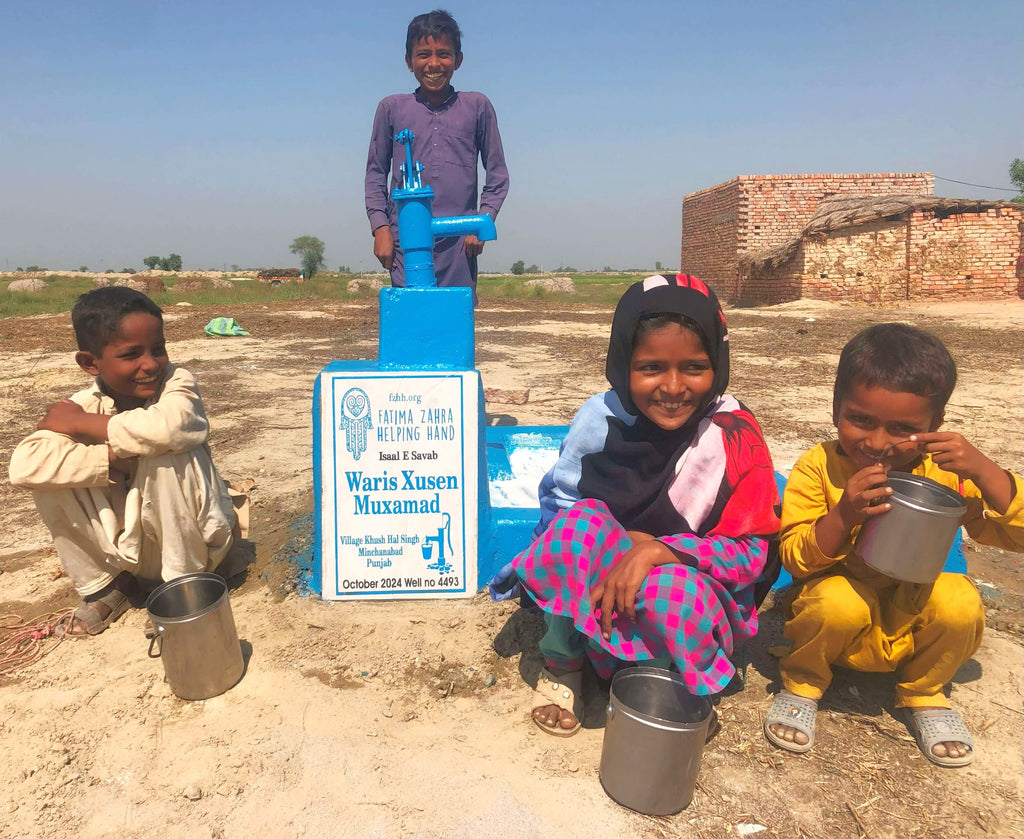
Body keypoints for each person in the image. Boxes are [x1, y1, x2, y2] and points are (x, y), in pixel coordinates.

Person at [507, 274, 780, 736]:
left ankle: (660, 676)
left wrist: (657, 549)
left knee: (674, 595)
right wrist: (609, 551)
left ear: (719, 363)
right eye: (651, 367)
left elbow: (752, 553)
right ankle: (566, 661)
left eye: (694, 366)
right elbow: (560, 511)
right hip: (602, 585)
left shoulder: (733, 438)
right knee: (572, 532)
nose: (672, 387)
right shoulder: (600, 421)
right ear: (621, 362)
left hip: (687, 587)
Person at [764, 323, 1022, 767]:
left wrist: (984, 470)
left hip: (910, 617)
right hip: (835, 624)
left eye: (902, 428)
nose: (877, 443)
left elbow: (1010, 535)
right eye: (860, 419)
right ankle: (804, 683)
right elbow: (796, 558)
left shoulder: (946, 475)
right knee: (836, 600)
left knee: (959, 600)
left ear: (935, 426)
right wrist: (844, 514)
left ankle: (924, 692)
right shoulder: (819, 466)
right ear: (835, 409)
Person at [8, 287, 247, 636]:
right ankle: (107, 589)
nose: (150, 364)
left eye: (158, 349)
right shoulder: (83, 402)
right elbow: (24, 466)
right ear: (90, 363)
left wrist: (81, 427)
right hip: (129, 555)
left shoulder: (177, 384)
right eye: (131, 354)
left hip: (198, 551)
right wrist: (110, 458)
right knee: (50, 474)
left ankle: (185, 589)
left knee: (167, 452)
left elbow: (171, 428)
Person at [364, 9, 509, 294]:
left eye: (443, 54)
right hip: (406, 242)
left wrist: (481, 221)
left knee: (454, 325)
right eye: (423, 55)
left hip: (460, 244)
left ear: (458, 59)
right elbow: (375, 176)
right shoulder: (391, 109)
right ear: (408, 61)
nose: (433, 64)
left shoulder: (477, 107)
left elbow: (498, 174)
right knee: (412, 322)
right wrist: (380, 228)